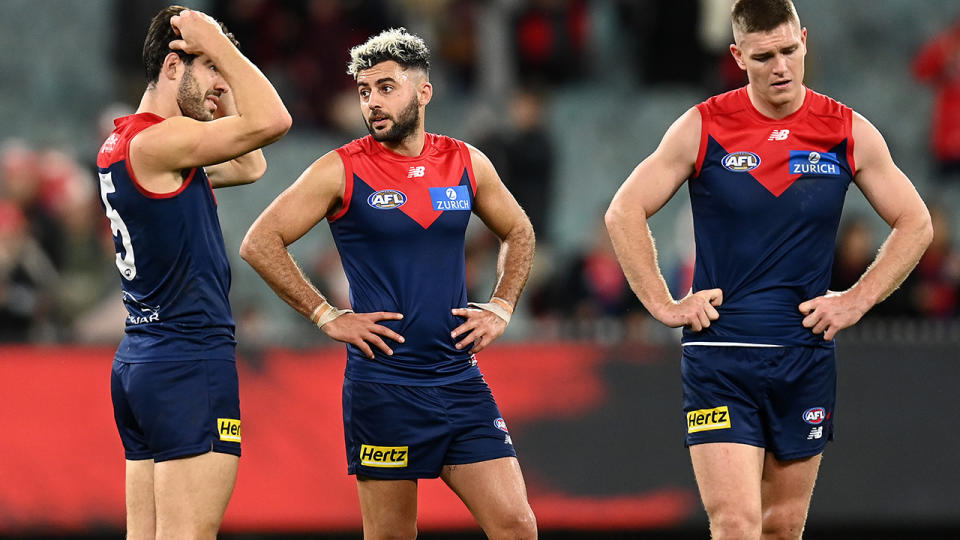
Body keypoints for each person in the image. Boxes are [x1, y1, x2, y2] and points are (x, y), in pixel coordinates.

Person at [604, 1, 932, 538]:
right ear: (738, 56)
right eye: (764, 56)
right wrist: (664, 302)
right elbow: (624, 210)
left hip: (804, 353)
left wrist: (856, 299)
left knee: (783, 526)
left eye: (789, 50)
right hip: (721, 355)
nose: (780, 66)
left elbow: (915, 222)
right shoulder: (703, 126)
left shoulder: (846, 130)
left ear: (804, 40)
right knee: (735, 524)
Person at [240, 28, 537, 539]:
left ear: (424, 92)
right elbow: (260, 242)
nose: (372, 102)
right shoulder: (340, 169)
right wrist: (326, 314)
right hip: (385, 386)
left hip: (458, 378)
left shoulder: (466, 162)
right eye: (363, 91)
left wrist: (502, 305)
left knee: (516, 525)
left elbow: (519, 230)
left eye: (386, 88)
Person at [96, 6, 290, 539]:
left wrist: (217, 82)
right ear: (172, 65)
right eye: (208, 70)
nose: (218, 85)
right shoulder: (162, 143)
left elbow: (252, 164)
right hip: (188, 358)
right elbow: (273, 123)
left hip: (142, 360)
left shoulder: (127, 143)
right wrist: (219, 44)